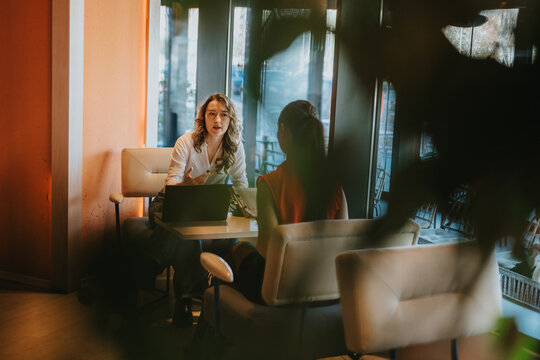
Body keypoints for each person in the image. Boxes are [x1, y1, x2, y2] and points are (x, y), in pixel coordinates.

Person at [231, 100, 348, 304]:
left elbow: (267, 251)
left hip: (280, 290)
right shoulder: (335, 185)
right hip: (326, 290)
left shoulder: (270, 184)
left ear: (283, 131)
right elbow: (343, 241)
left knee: (236, 250)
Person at [147, 93, 247, 326]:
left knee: (230, 239)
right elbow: (171, 184)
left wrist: (239, 205)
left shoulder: (234, 146)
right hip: (171, 202)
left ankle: (214, 300)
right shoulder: (186, 142)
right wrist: (187, 186)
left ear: (231, 119)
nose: (218, 120)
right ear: (203, 117)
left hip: (207, 207)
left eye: (224, 115)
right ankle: (186, 298)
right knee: (188, 236)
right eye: (212, 114)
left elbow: (241, 184)